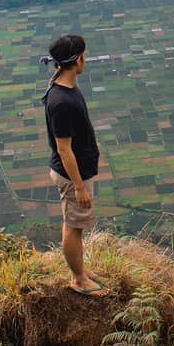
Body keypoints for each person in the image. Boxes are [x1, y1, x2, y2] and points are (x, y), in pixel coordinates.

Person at [41, 34, 106, 296]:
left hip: (73, 172)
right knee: (74, 226)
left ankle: (79, 270)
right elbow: (64, 148)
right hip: (71, 176)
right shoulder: (62, 102)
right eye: (84, 55)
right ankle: (79, 279)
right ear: (78, 60)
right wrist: (79, 187)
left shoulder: (59, 86)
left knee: (73, 224)